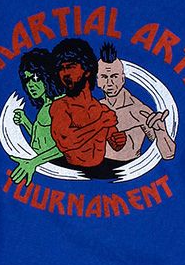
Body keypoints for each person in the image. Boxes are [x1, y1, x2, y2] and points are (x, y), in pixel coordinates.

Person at [49, 38, 127, 169]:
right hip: (71, 173)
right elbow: (65, 143)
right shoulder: (61, 106)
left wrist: (119, 140)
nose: (65, 74)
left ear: (87, 70)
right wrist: (100, 123)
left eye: (71, 66)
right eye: (61, 68)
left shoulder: (102, 110)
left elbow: (115, 144)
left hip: (99, 171)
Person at [96, 42, 176, 162]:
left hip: (132, 168)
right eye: (104, 77)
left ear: (123, 79)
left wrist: (161, 131)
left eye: (114, 77)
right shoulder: (94, 108)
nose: (109, 83)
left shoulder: (139, 110)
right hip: (99, 168)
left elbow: (168, 154)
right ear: (97, 80)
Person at [9, 49, 63, 185]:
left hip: (55, 169)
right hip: (43, 169)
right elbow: (41, 138)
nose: (30, 85)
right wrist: (25, 121)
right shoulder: (45, 106)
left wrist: (33, 162)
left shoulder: (60, 105)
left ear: (47, 76)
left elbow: (65, 146)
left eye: (35, 78)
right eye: (27, 80)